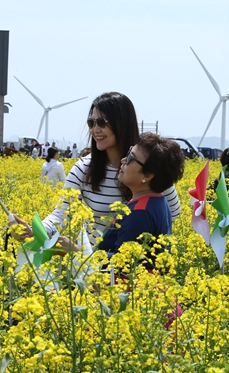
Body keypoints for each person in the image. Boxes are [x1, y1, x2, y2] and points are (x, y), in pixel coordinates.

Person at [13, 92, 181, 246]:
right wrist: (34, 231)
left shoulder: (149, 168)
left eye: (101, 122)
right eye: (91, 123)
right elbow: (61, 213)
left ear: (121, 123)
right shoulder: (84, 168)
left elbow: (171, 213)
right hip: (91, 266)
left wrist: (142, 242)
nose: (95, 129)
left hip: (133, 269)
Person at [59, 133, 185, 264]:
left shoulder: (140, 212)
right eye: (128, 152)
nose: (123, 160)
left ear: (147, 175)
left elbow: (122, 263)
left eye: (131, 158)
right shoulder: (158, 200)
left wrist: (75, 251)